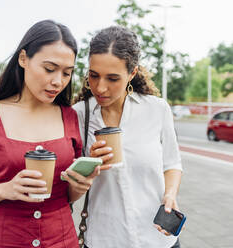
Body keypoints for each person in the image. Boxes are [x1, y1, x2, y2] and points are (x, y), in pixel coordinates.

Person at [0, 20, 98, 248]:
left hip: (61, 240)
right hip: (1, 240)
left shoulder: (69, 116)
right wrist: (6, 189)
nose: (57, 81)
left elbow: (66, 195)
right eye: (49, 69)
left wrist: (79, 187)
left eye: (67, 73)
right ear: (23, 59)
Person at [73, 26, 183, 248]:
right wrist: (88, 168)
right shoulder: (77, 115)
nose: (100, 87)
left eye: (112, 78)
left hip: (157, 239)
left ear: (132, 73)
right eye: (93, 76)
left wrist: (170, 195)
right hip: (105, 239)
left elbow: (172, 163)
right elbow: (66, 188)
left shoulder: (157, 109)